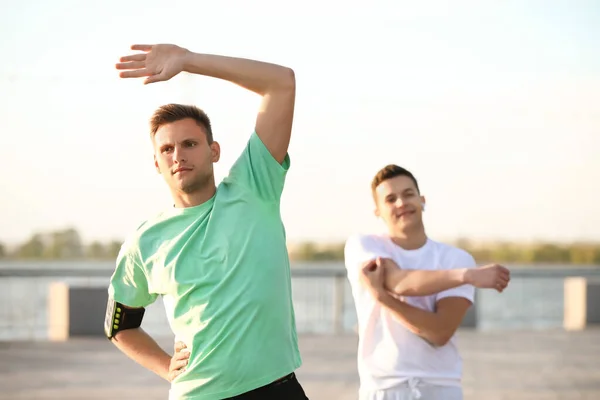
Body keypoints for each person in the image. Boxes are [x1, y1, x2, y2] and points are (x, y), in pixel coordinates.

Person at [104, 43, 308, 400]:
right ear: (156, 163)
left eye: (189, 144)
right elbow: (119, 326)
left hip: (277, 389)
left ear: (214, 151)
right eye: (166, 149)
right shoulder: (145, 241)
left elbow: (281, 83)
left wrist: (188, 62)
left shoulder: (254, 186)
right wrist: (166, 366)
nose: (178, 155)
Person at [343, 164, 511, 400]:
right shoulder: (363, 246)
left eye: (408, 194)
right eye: (390, 199)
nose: (401, 203)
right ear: (378, 211)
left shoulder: (456, 259)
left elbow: (439, 333)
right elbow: (398, 282)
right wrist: (466, 275)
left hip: (440, 386)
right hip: (382, 389)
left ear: (422, 200)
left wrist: (383, 299)